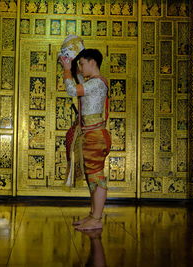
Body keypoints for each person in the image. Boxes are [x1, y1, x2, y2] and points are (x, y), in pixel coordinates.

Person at [60, 48, 111, 230]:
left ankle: (97, 219)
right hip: (91, 134)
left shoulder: (97, 83)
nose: (80, 68)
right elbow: (78, 81)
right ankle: (93, 215)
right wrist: (69, 64)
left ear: (92, 62)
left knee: (97, 177)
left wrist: (67, 69)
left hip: (95, 135)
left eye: (82, 64)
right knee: (92, 177)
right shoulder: (93, 83)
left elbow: (73, 90)